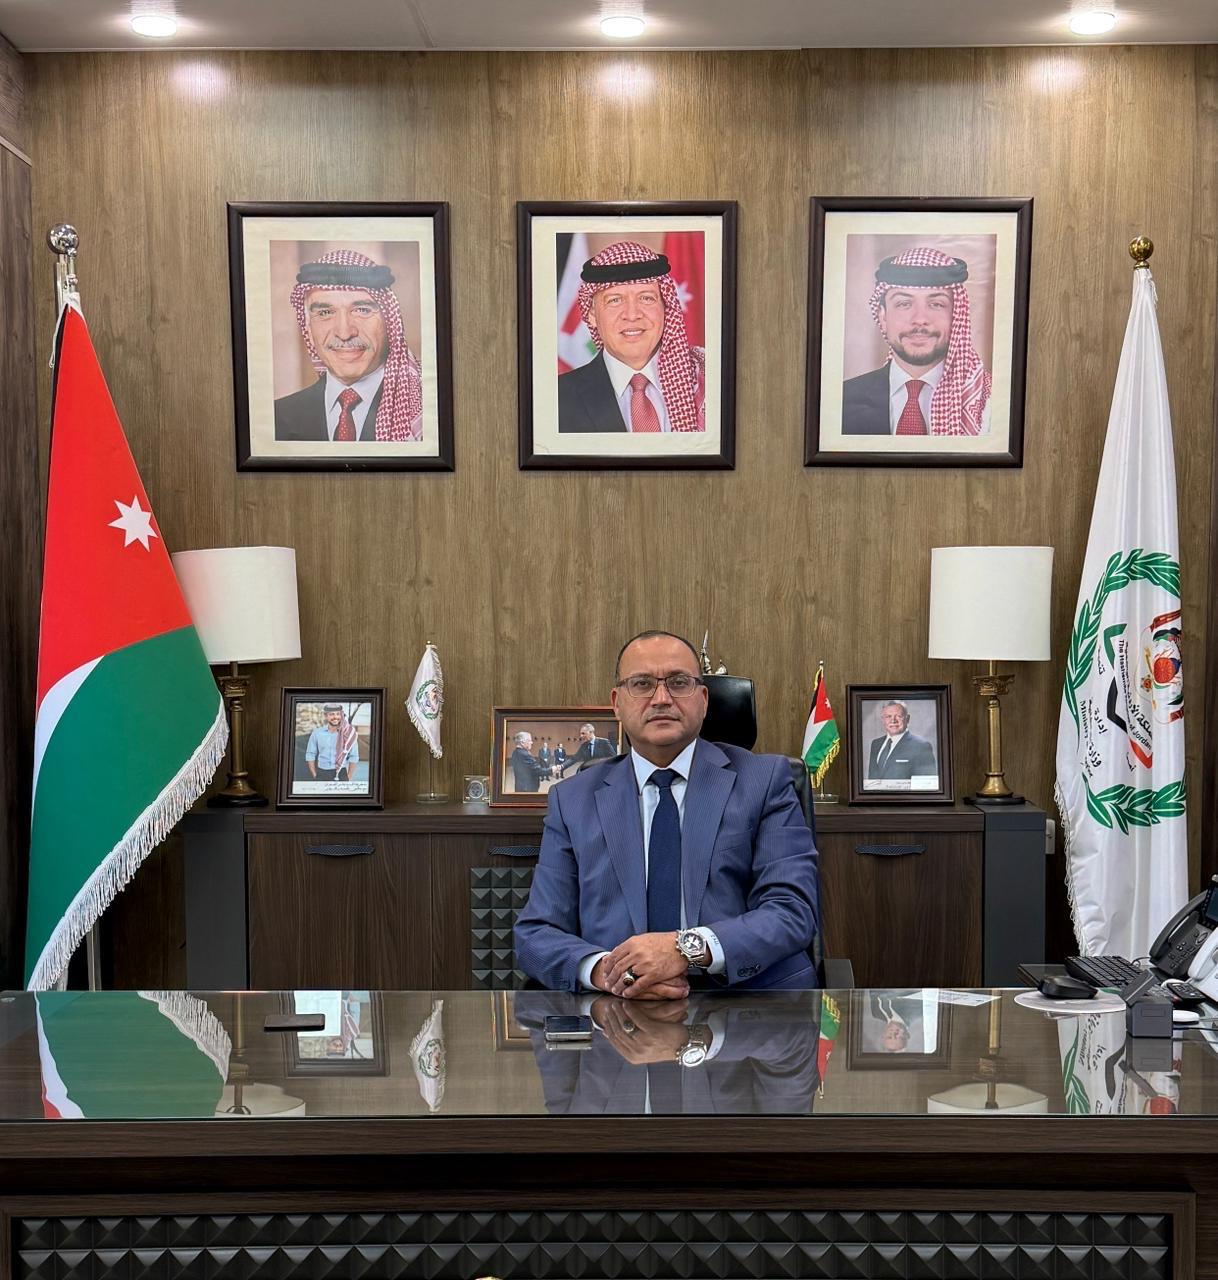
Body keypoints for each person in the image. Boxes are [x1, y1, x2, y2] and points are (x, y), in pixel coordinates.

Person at [514, 630, 819, 994]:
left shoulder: (764, 780)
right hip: (619, 1004)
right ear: (617, 703)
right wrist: (612, 974)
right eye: (642, 684)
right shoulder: (573, 799)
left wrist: (684, 950)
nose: (661, 699)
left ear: (703, 700)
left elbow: (792, 910)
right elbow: (536, 933)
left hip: (745, 1003)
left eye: (678, 682)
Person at [274, 249, 424, 443]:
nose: (344, 333)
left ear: (390, 323)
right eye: (325, 313)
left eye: (362, 310)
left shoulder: (425, 410)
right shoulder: (277, 418)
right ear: (309, 330)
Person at [841, 247, 992, 437]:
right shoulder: (840, 401)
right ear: (883, 317)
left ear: (956, 316)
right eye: (904, 304)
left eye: (936, 304)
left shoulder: (989, 402)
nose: (920, 319)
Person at [558, 241, 706, 434]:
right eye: (615, 300)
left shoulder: (707, 379)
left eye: (646, 298)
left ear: (666, 307)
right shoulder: (557, 399)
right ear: (592, 315)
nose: (632, 314)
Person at [866, 701, 937, 782]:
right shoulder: (876, 744)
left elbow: (927, 784)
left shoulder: (921, 746)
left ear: (907, 719)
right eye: (888, 716)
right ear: (883, 719)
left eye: (899, 716)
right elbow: (871, 781)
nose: (893, 720)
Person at [303, 704, 359, 783]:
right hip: (322, 773)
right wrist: (315, 775)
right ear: (326, 716)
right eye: (331, 714)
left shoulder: (349, 734)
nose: (335, 717)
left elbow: (354, 756)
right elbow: (310, 754)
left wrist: (349, 777)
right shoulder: (317, 733)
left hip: (341, 773)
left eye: (338, 714)